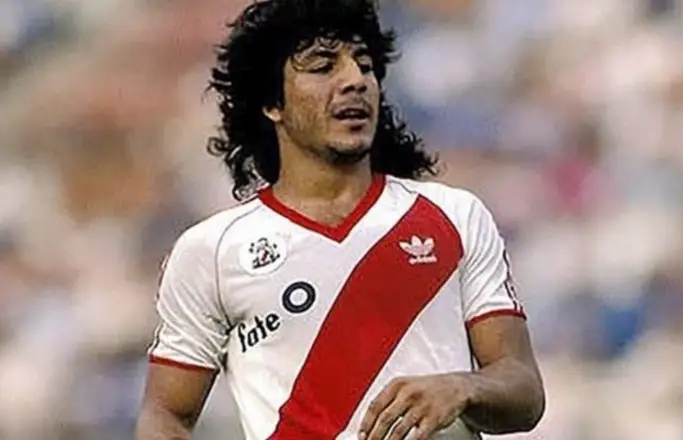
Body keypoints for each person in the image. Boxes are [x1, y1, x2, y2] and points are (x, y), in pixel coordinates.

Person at [134, 1, 545, 439]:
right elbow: (166, 414)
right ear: (272, 102)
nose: (355, 80)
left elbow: (523, 391)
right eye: (323, 67)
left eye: (365, 65)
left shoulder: (453, 216)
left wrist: (464, 387)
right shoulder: (213, 251)